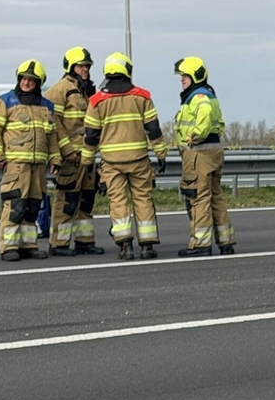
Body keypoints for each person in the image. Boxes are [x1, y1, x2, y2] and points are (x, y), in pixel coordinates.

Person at [81, 52, 168, 261]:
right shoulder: (143, 97)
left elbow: (91, 136)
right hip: (139, 160)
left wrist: (86, 162)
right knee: (143, 199)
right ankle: (147, 246)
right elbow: (153, 129)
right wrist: (161, 154)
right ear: (127, 71)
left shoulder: (96, 101)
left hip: (112, 163)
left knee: (118, 202)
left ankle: (125, 247)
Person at [0, 61, 68, 262]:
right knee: (15, 205)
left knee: (33, 205)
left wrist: (55, 159)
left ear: (38, 82)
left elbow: (52, 136)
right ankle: (9, 246)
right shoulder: (5, 102)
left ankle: (28, 245)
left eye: (31, 80)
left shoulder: (46, 107)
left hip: (39, 167)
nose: (26, 83)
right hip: (16, 165)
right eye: (24, 79)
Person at [173, 56, 235, 257]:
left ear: (195, 76)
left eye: (185, 76)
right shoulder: (209, 94)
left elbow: (205, 115)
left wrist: (195, 136)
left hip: (200, 154)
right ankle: (226, 242)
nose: (182, 79)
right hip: (213, 152)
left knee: (198, 198)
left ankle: (201, 244)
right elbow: (221, 123)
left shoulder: (198, 97)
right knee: (215, 197)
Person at [45, 47, 105, 256]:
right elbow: (54, 122)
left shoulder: (87, 89)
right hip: (70, 157)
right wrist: (66, 149)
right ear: (70, 66)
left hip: (88, 156)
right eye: (81, 65)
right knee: (66, 201)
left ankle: (84, 241)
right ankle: (59, 244)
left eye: (87, 66)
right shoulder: (60, 89)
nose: (85, 69)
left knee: (86, 200)